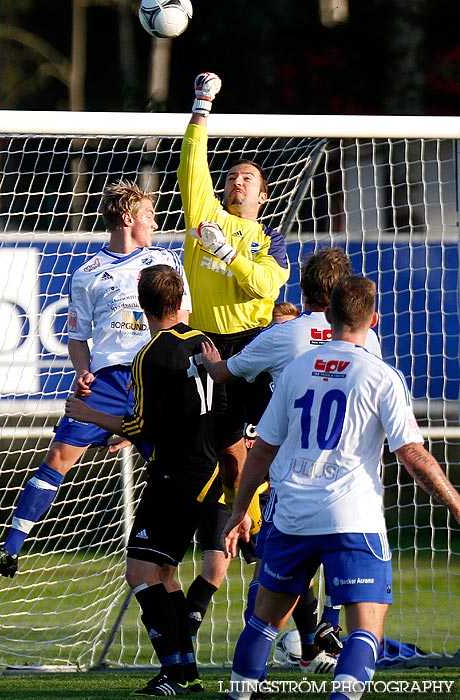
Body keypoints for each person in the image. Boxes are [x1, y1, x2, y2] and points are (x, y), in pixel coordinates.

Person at [222, 275, 460, 700]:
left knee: (264, 620)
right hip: (352, 516)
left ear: (328, 316)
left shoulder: (296, 370)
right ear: (373, 319)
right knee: (365, 630)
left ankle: (240, 694)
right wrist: (455, 502)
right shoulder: (381, 375)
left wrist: (239, 510)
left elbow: (261, 452)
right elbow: (412, 455)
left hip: (292, 513)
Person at [0, 180, 191, 578]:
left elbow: (182, 322)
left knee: (176, 464)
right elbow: (77, 337)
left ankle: (214, 540)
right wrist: (83, 371)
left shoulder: (166, 261)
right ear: (128, 219)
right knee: (58, 457)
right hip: (106, 383)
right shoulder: (88, 274)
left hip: (153, 376)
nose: (155, 223)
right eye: (148, 215)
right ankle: (10, 550)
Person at [203, 247, 378, 672]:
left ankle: (250, 682)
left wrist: (210, 360)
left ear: (302, 287)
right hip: (348, 489)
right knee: (361, 608)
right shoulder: (368, 340)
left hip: (293, 484)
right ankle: (327, 635)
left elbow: (226, 373)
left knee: (268, 590)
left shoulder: (286, 335)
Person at [65, 264, 219, 697]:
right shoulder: (204, 342)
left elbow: (142, 426)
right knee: (165, 571)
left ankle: (171, 673)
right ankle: (185, 671)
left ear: (141, 300)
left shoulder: (150, 355)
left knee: (139, 571)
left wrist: (91, 415)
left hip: (177, 473)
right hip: (206, 469)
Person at [177, 72, 290, 640]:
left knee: (252, 468)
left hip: (250, 354)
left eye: (248, 177)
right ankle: (206, 573)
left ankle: (301, 627)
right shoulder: (208, 220)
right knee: (213, 464)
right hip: (205, 351)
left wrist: (231, 255)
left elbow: (267, 290)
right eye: (232, 176)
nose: (237, 181)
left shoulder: (266, 244)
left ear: (262, 194)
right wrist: (201, 109)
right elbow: (190, 169)